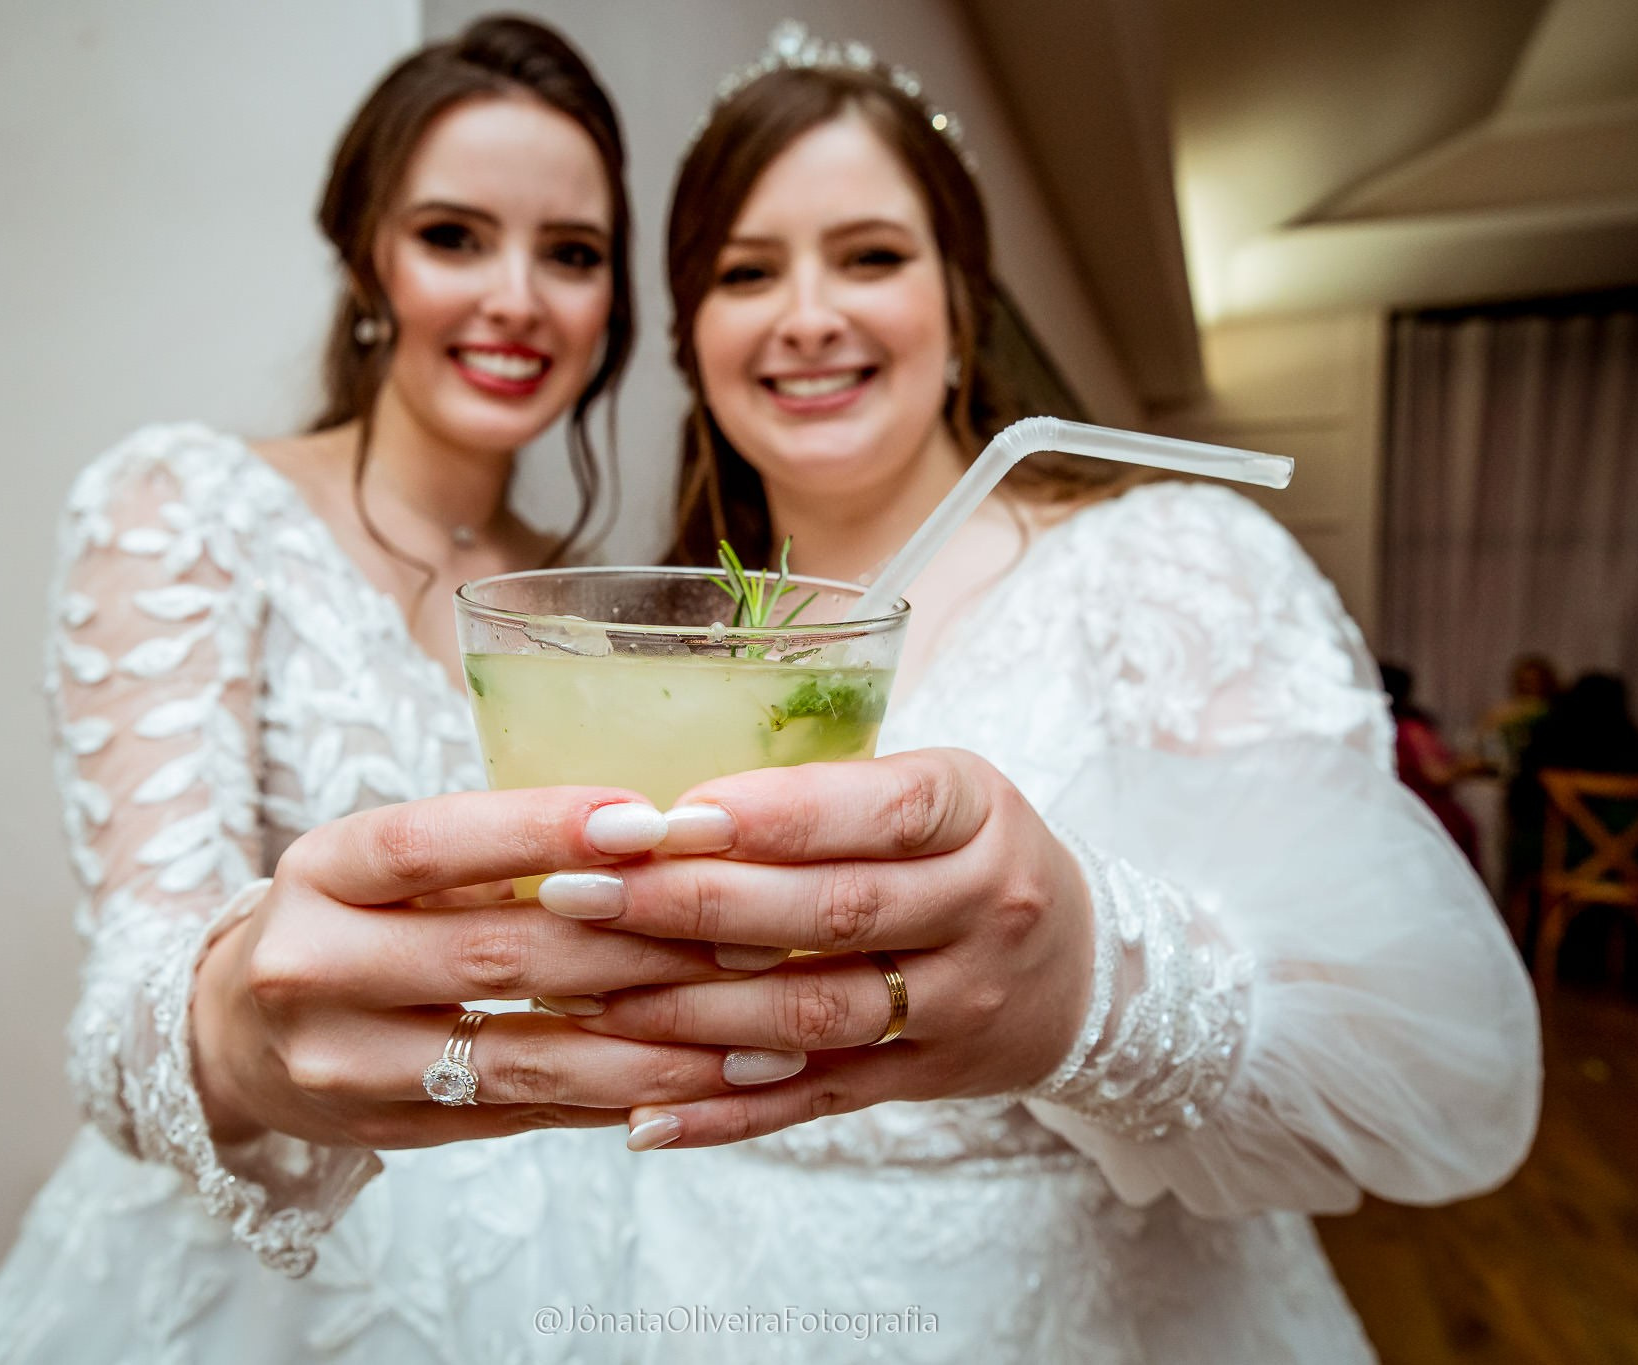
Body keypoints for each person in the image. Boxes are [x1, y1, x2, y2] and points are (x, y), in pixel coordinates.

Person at [510, 30, 1536, 1361]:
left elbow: (1401, 1055)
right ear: (693, 335)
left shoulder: (1170, 558)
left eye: (869, 256)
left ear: (961, 299)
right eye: (746, 271)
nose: (806, 312)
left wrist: (1087, 990)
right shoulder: (664, 647)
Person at [0, 18, 801, 1357]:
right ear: (367, 259)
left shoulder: (594, 609)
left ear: (612, 309)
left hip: (580, 1259)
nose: (517, 297)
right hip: (273, 1269)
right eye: (455, 236)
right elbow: (128, 1006)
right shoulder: (190, 509)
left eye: (569, 255)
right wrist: (230, 1031)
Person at [1382, 662, 1480, 865]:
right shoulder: (1412, 728)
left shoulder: (1377, 727)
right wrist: (1468, 767)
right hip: (1426, 811)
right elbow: (1437, 776)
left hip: (1390, 811)